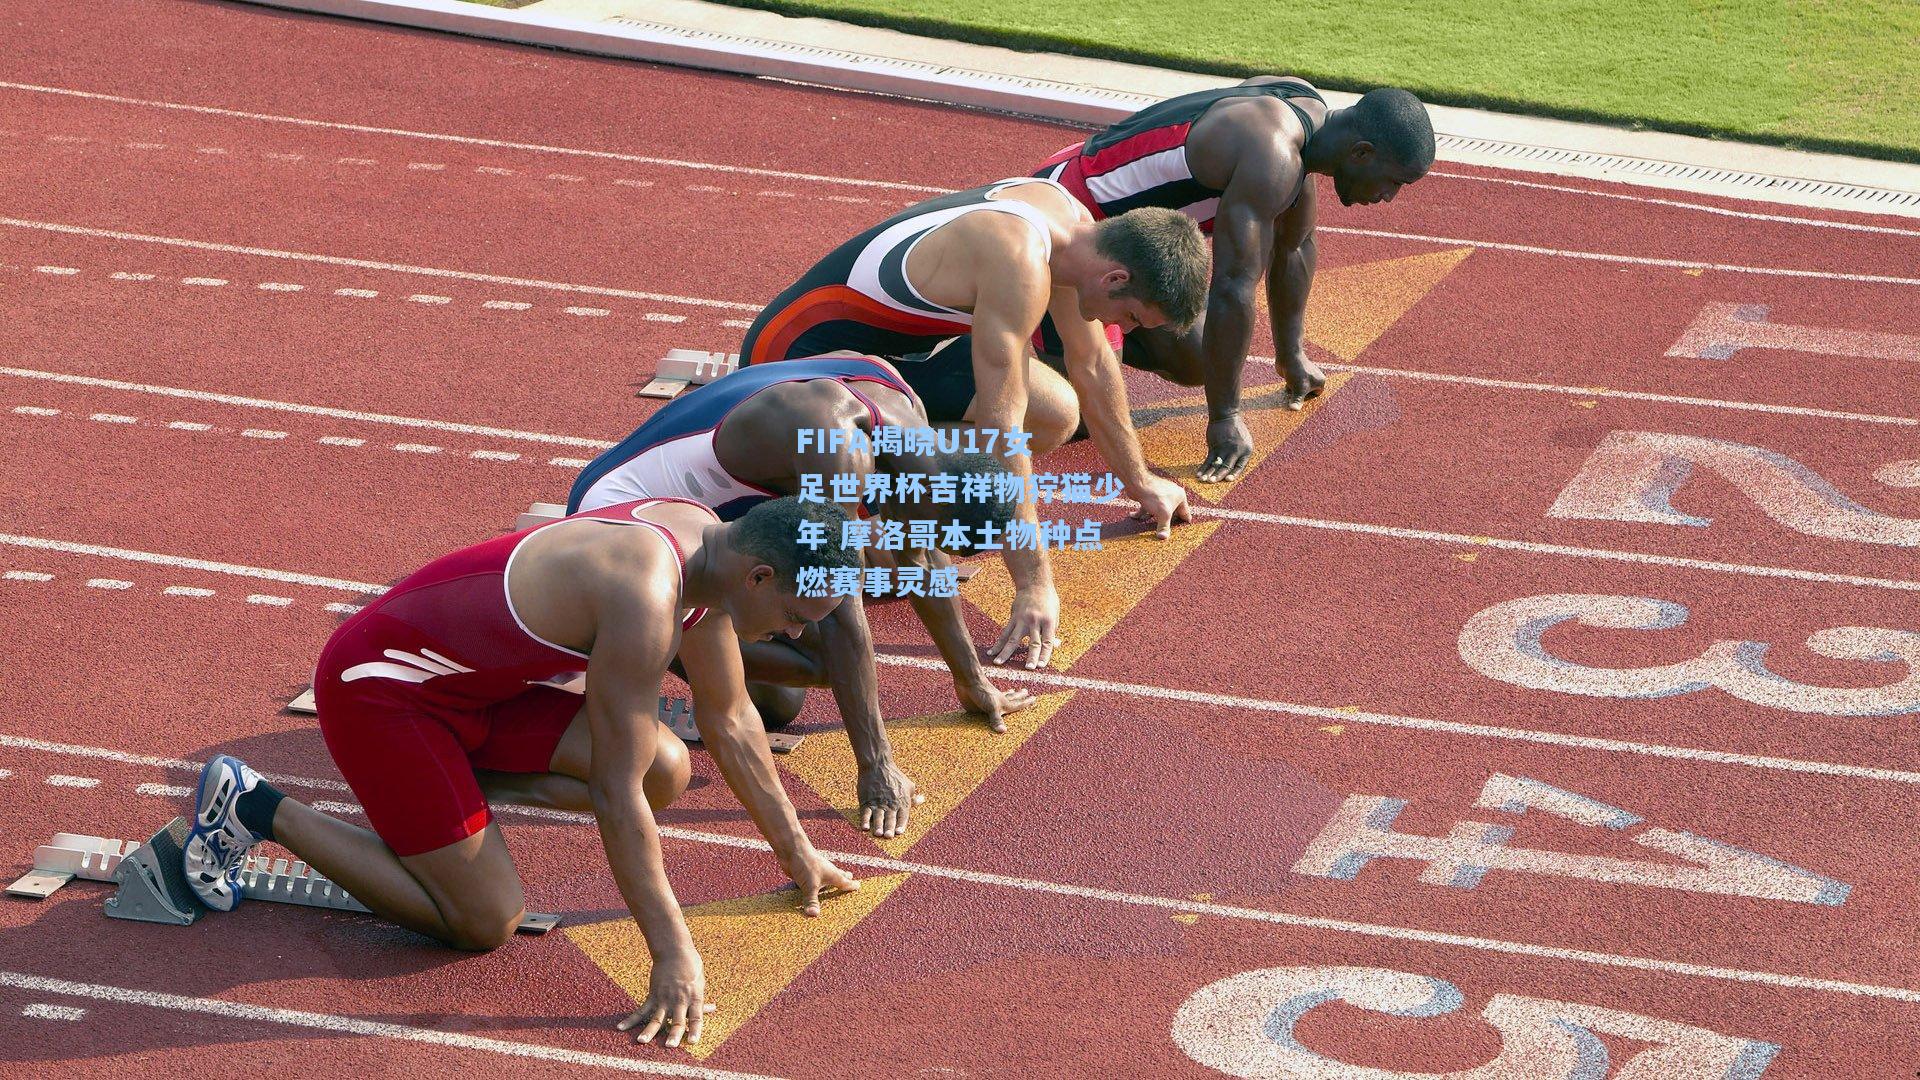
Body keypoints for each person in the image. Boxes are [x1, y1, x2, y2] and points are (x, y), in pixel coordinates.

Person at [182, 496, 861, 1050]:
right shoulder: (646, 595)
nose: (797, 637)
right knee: (485, 920)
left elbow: (734, 718)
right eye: (799, 619)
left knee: (667, 767)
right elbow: (613, 793)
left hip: (474, 695)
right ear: (761, 577)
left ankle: (436, 806)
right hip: (382, 692)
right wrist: (672, 952)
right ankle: (255, 806)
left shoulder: (710, 550)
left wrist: (797, 854)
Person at [739, 176, 1210, 666]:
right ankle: (864, 493)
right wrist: (1033, 584)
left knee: (1054, 413)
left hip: (888, 353)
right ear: (1115, 279)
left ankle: (888, 486)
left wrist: (1140, 480)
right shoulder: (1019, 260)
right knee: (881, 564)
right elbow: (1000, 432)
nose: (1124, 331)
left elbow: (1092, 364)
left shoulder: (1076, 232)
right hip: (792, 360)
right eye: (1131, 318)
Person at [567, 352, 1035, 839]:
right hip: (620, 515)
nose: (919, 544)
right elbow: (839, 614)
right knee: (815, 670)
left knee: (793, 692)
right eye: (930, 532)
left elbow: (921, 560)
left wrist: (973, 682)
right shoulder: (839, 453)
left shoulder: (908, 425)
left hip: (703, 518)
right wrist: (876, 767)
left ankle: (686, 644)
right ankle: (648, 647)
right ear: (933, 498)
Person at [1034, 82, 1435, 482]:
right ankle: (1013, 335)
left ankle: (1082, 336)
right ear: (1361, 152)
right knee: (1078, 414)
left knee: (1197, 355)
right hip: (1071, 219)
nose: (1388, 197)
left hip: (1116, 236)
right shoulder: (1272, 155)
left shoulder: (1305, 115)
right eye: (1393, 182)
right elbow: (1232, 286)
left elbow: (1294, 245)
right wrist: (1225, 417)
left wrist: (1291, 355)